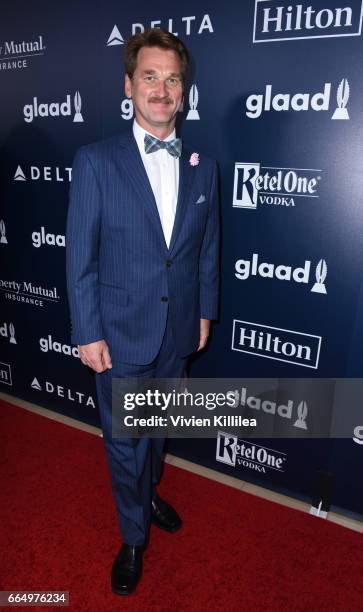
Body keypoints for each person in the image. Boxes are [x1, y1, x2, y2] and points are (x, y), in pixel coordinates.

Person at [66, 28, 219, 596]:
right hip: (121, 334)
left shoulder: (206, 166)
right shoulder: (96, 161)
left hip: (177, 330)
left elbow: (206, 249)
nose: (162, 89)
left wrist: (204, 313)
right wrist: (88, 331)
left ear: (184, 90)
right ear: (127, 86)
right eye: (150, 77)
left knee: (156, 430)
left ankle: (149, 492)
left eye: (172, 78)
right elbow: (80, 256)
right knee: (124, 441)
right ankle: (133, 536)